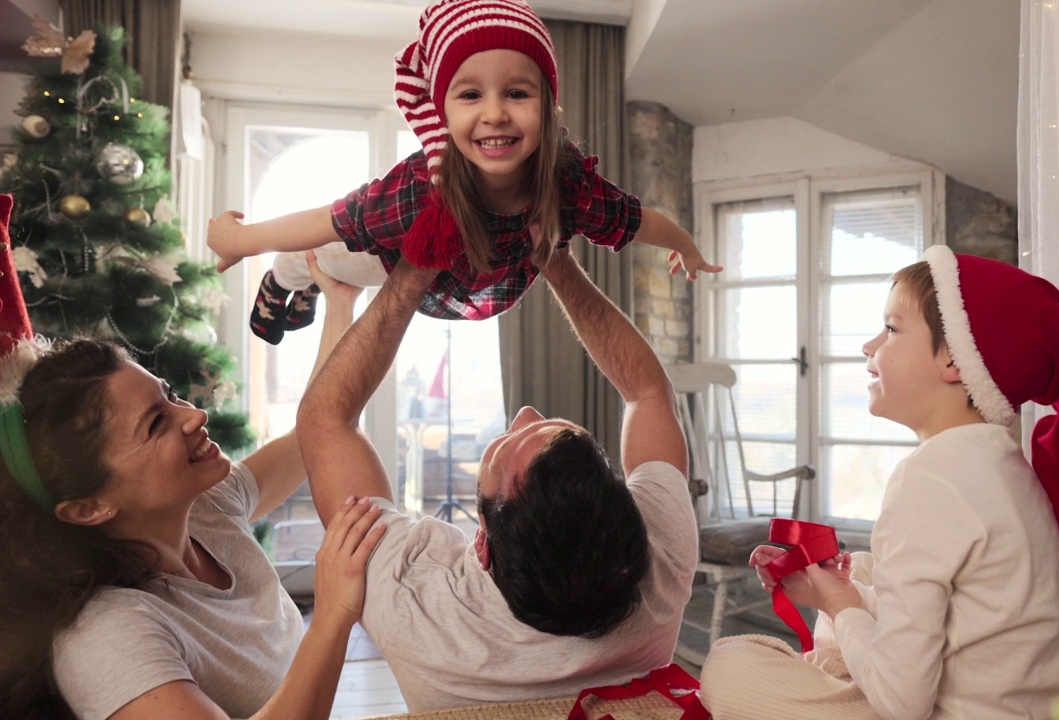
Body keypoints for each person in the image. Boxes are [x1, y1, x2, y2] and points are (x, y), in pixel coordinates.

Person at [699, 245, 1059, 719]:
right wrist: (836, 591)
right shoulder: (1004, 464)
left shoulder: (927, 480)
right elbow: (963, 619)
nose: (869, 347)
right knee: (862, 569)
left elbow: (903, 704)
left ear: (957, 362)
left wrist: (840, 606)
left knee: (730, 663)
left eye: (890, 329)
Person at [0, 197, 384, 719]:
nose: (194, 417)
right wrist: (335, 611)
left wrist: (341, 303)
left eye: (170, 395)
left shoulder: (206, 508)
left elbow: (317, 429)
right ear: (89, 506)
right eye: (156, 424)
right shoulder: (108, 634)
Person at [293, 249, 698, 711]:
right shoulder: (664, 554)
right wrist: (557, 263)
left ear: (483, 546)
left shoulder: (418, 602)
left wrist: (412, 274)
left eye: (501, 446)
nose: (524, 412)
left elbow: (324, 419)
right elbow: (647, 392)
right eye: (546, 425)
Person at [207, 0, 721, 345]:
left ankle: (306, 284)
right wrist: (241, 240)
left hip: (477, 291)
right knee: (317, 255)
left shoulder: (568, 184)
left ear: (548, 106)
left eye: (517, 93)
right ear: (444, 110)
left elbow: (637, 220)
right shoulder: (418, 189)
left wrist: (687, 245)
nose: (495, 113)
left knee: (327, 257)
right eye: (471, 94)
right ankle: (283, 282)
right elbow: (328, 219)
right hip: (393, 262)